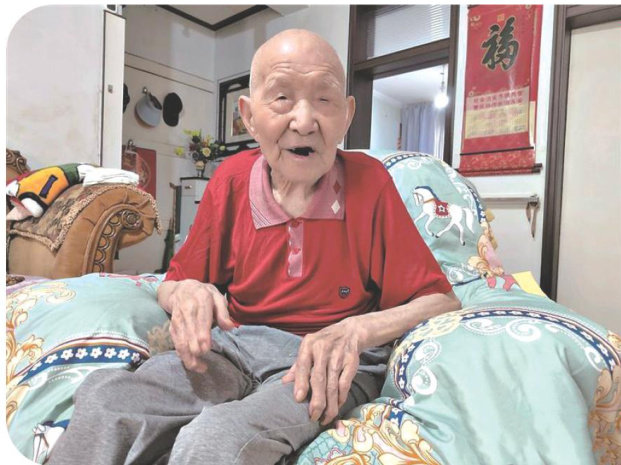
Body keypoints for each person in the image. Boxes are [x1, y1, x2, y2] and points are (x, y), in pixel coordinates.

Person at [49, 29, 460, 465]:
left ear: (346, 115)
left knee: (215, 439)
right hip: (233, 348)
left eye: (324, 99)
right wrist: (186, 292)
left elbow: (441, 300)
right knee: (106, 401)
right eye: (282, 98)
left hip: (322, 363)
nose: (304, 121)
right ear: (248, 116)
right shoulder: (230, 179)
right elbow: (174, 282)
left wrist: (355, 331)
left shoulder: (371, 182)